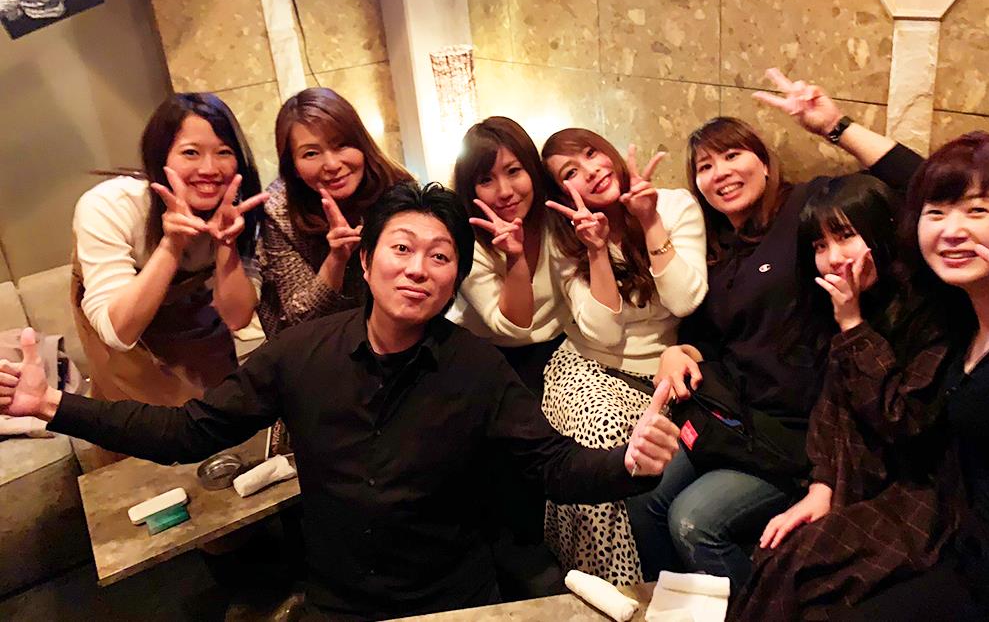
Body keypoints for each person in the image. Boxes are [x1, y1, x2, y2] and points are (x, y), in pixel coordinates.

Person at [2, 182, 682, 621]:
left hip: (454, 601)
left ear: (453, 280)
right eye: (401, 248)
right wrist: (54, 405)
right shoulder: (300, 354)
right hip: (338, 602)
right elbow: (188, 433)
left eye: (440, 257)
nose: (417, 269)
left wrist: (628, 464)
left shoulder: (477, 368)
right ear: (365, 261)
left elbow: (552, 466)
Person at [628, 69, 923, 589]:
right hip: (734, 421)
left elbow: (919, 188)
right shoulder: (716, 248)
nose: (720, 172)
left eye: (733, 155)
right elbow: (705, 332)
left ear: (764, 161)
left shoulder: (806, 214)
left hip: (797, 434)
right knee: (642, 493)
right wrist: (679, 351)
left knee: (694, 521)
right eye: (705, 166)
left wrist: (835, 126)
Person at [728, 173, 958, 619]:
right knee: (777, 555)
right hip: (856, 478)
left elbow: (903, 419)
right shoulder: (841, 303)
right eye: (820, 245)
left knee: (803, 574)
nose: (833, 257)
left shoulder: (933, 310)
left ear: (884, 230)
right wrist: (822, 486)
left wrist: (853, 326)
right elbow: (831, 408)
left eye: (846, 236)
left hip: (922, 493)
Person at [835, 132, 989, 621]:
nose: (952, 230)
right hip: (974, 561)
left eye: (978, 210)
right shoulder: (955, 313)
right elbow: (916, 182)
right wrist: (837, 126)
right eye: (935, 214)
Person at [538, 128, 708, 584]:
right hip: (588, 366)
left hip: (659, 376)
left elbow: (685, 301)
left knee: (638, 447)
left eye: (591, 153)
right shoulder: (565, 237)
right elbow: (604, 333)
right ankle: (614, 588)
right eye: (570, 172)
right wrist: (596, 250)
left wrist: (649, 221)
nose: (591, 171)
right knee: (606, 439)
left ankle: (638, 588)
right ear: (562, 192)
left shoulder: (674, 206)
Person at [71, 93, 266, 417]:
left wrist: (227, 245)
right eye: (191, 152)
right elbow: (118, 332)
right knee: (139, 422)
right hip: (127, 324)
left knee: (221, 412)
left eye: (224, 152)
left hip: (196, 320)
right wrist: (172, 244)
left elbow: (237, 318)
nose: (209, 168)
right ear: (159, 157)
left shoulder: (239, 208)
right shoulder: (111, 206)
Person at [256, 87, 413, 339]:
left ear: (361, 144)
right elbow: (298, 319)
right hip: (315, 346)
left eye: (341, 145)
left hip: (393, 336)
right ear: (293, 166)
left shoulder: (398, 190)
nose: (331, 165)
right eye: (311, 153)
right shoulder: (279, 211)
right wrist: (336, 259)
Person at [449, 116, 568, 394]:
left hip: (563, 347)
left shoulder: (557, 221)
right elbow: (511, 327)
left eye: (514, 171)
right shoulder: (467, 242)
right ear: (470, 189)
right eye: (486, 180)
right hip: (491, 355)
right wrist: (515, 257)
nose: (504, 192)